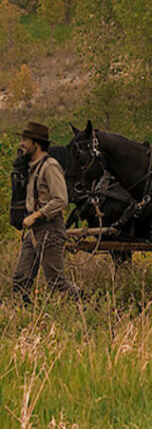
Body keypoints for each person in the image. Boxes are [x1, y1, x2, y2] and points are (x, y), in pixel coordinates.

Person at [11, 121, 80, 302]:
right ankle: (22, 316)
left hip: (50, 229)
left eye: (25, 140)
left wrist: (36, 215)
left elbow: (60, 199)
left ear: (36, 143)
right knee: (21, 278)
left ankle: (87, 305)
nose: (21, 144)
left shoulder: (50, 167)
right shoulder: (32, 167)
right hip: (34, 231)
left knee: (56, 282)